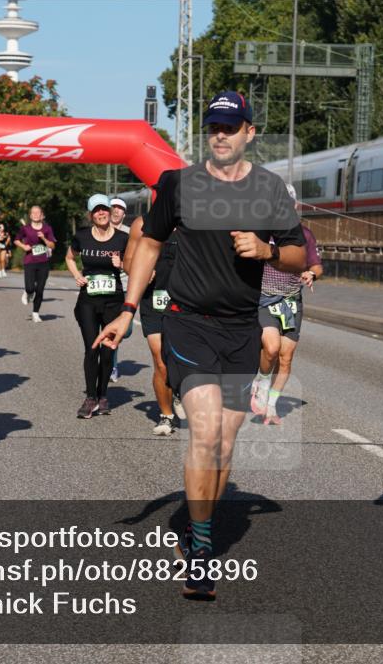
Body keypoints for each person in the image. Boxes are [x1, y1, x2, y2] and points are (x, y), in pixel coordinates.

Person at [94, 91, 306, 600]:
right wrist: (127, 311)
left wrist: (268, 249)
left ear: (250, 133)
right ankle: (203, 552)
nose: (220, 134)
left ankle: (198, 525)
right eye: (213, 126)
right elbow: (148, 242)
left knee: (225, 443)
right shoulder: (178, 184)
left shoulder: (269, 189)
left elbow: (299, 255)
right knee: (205, 431)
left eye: (231, 127)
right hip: (187, 323)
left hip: (241, 330)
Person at [250, 198, 323, 425]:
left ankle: (271, 406)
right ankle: (261, 381)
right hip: (263, 299)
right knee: (271, 348)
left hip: (291, 301)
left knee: (286, 357)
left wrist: (312, 274)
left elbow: (316, 265)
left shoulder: (305, 235)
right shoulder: (262, 231)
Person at [66, 194, 128, 418]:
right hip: (88, 301)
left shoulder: (122, 238)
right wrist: (76, 276)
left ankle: (103, 395)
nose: (101, 213)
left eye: (104, 209)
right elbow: (70, 258)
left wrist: (121, 264)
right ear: (91, 214)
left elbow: (133, 267)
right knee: (92, 347)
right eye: (96, 210)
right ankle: (90, 397)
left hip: (114, 300)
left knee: (108, 348)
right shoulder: (82, 236)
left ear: (110, 211)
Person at [122, 215, 179, 436]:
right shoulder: (141, 224)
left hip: (186, 299)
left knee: (182, 359)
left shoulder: (195, 219)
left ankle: (179, 390)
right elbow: (128, 261)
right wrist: (140, 271)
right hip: (154, 298)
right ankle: (166, 415)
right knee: (160, 359)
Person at [14, 205, 56, 323]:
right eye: (33, 213)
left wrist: (44, 239)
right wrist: (23, 246)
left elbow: (52, 245)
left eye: (38, 213)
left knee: (40, 289)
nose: (36, 215)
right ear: (30, 215)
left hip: (43, 262)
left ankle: (35, 313)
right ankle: (27, 292)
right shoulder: (25, 229)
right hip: (30, 261)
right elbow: (16, 240)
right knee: (30, 287)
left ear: (42, 215)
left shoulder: (47, 229)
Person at [108, 197, 131, 383]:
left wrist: (122, 264)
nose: (116, 211)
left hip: (125, 286)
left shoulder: (131, 234)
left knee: (127, 330)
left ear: (124, 213)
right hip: (104, 286)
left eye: (120, 208)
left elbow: (139, 259)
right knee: (108, 328)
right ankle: (111, 364)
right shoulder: (99, 231)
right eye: (113, 207)